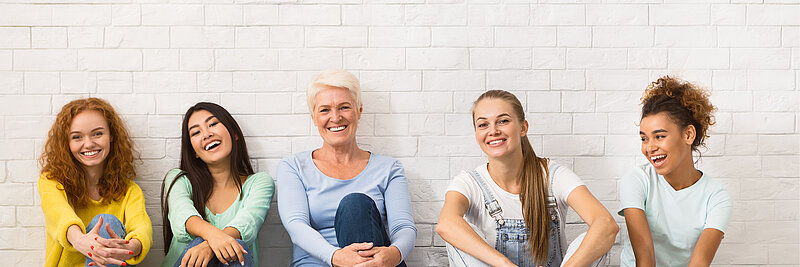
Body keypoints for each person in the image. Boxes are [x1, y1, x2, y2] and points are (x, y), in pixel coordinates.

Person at [436, 90, 618, 267]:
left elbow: (606, 225)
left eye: (503, 121)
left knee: (596, 236)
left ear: (523, 128)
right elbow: (446, 224)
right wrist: (505, 264)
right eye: (483, 125)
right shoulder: (469, 182)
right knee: (456, 237)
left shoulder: (553, 176)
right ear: (476, 133)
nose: (493, 131)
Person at [277, 69, 417, 267]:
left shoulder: (389, 168)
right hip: (317, 263)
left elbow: (403, 227)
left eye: (344, 107)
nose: (335, 117)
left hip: (376, 264)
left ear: (359, 111)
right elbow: (296, 226)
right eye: (325, 110)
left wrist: (394, 254)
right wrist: (336, 257)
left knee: (356, 205)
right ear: (314, 117)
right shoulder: (294, 167)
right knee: (354, 204)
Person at [618, 76, 732, 266]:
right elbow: (644, 256)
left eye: (660, 136)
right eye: (644, 139)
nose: (650, 148)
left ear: (688, 135)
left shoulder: (717, 197)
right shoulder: (637, 180)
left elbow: (700, 263)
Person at [38, 97, 152, 267]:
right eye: (77, 137)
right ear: (66, 143)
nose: (89, 144)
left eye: (97, 133)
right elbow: (59, 214)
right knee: (106, 221)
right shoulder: (51, 181)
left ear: (111, 136)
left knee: (107, 223)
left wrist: (127, 248)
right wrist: (80, 240)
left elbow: (141, 228)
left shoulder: (129, 191)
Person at [161, 102, 274, 267]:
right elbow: (182, 218)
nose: (206, 134)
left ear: (234, 133)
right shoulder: (179, 179)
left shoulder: (259, 183)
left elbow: (247, 225)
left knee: (236, 248)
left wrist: (209, 246)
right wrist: (212, 239)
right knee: (204, 242)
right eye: (196, 132)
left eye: (213, 124)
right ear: (193, 151)